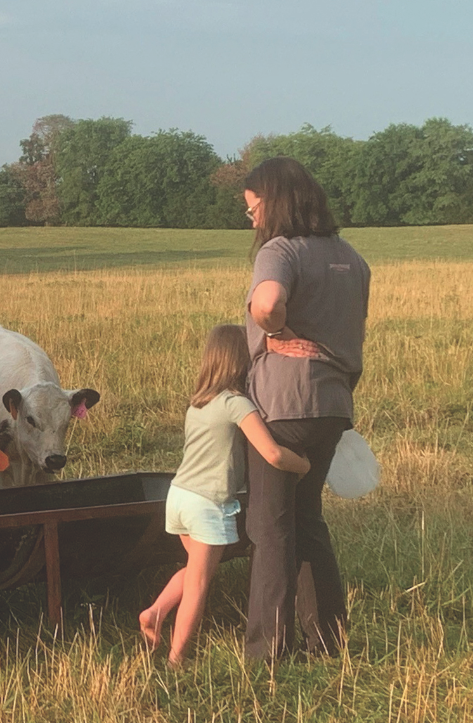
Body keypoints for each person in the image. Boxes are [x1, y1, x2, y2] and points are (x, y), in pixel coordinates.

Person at [241, 156, 370, 661]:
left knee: (270, 527)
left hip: (284, 405)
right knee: (307, 517)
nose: (251, 219)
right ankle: (328, 641)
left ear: (274, 202)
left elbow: (268, 303)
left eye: (253, 208)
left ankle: (266, 653)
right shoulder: (352, 257)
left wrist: (274, 329)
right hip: (334, 405)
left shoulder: (280, 250)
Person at [140, 324, 310, 666]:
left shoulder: (198, 404)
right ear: (240, 361)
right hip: (206, 505)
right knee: (200, 584)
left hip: (179, 497)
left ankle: (155, 613)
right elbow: (273, 454)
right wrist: (305, 464)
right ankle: (178, 658)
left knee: (194, 569)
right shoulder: (236, 404)